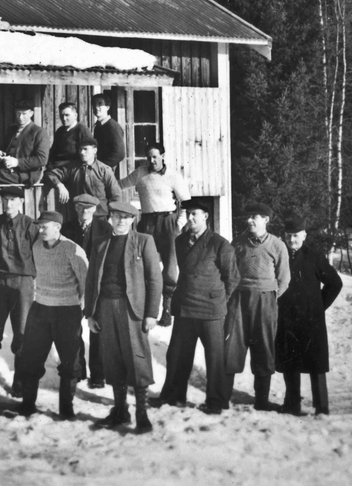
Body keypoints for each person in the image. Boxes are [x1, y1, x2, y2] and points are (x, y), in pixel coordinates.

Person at [84, 200, 162, 433]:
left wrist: (151, 313)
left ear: (132, 220)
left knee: (137, 359)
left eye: (125, 217)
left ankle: (142, 412)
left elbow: (155, 279)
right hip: (106, 307)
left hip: (132, 309)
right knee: (112, 359)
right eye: (116, 216)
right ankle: (120, 410)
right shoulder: (100, 244)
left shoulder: (143, 242)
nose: (120, 221)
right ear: (111, 219)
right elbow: (91, 281)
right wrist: (90, 313)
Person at [156, 198, 239, 413]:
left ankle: (216, 401)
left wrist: (218, 299)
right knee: (176, 356)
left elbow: (232, 278)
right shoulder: (180, 241)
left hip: (210, 311)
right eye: (188, 213)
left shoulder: (220, 244)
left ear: (206, 217)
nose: (191, 217)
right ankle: (174, 396)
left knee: (215, 359)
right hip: (185, 308)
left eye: (195, 214)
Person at [12, 211, 89, 419]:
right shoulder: (37, 247)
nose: (41, 230)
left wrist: (80, 310)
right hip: (41, 309)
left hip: (67, 311)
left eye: (45, 226)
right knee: (30, 358)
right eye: (39, 226)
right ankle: (28, 404)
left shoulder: (73, 250)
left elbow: (86, 284)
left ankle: (66, 408)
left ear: (58, 227)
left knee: (70, 362)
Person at [220, 202, 291, 411]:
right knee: (231, 347)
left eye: (256, 217)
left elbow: (284, 279)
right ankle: (222, 398)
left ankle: (261, 401)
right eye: (249, 217)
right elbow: (230, 272)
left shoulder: (277, 245)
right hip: (239, 300)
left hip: (265, 301)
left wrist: (269, 297)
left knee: (264, 348)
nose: (250, 220)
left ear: (266, 220)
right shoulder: (238, 243)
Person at [0, 185, 39, 399]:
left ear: (21, 202)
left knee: (22, 333)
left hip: (23, 285)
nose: (8, 204)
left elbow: (39, 255)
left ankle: (19, 381)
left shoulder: (30, 225)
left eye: (13, 200)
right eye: (5, 199)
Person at [119, 142, 191, 325]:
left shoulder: (173, 176)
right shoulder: (140, 173)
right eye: (149, 157)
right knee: (143, 263)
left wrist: (178, 225)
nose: (152, 160)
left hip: (168, 223)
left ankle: (166, 309)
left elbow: (188, 204)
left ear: (163, 156)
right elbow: (120, 185)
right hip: (147, 222)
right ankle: (143, 307)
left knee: (170, 267)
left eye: (155, 157)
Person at [276, 217, 342, 416]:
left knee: (316, 365)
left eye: (296, 236)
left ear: (304, 235)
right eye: (288, 236)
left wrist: (319, 306)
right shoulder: (280, 255)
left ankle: (322, 407)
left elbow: (335, 283)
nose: (292, 240)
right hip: (286, 318)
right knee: (290, 363)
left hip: (310, 320)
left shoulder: (314, 256)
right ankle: (292, 404)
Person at [62, 193, 110, 389]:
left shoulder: (105, 228)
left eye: (88, 209)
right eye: (81, 208)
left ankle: (98, 374)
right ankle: (77, 370)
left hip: (97, 286)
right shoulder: (67, 228)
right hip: (72, 284)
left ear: (95, 210)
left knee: (96, 329)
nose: (84, 212)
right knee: (73, 328)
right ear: (76, 209)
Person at [44, 135, 122, 222]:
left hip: (99, 217)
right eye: (80, 149)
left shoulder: (104, 170)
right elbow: (50, 174)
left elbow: (116, 196)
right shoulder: (71, 168)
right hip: (77, 218)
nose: (82, 152)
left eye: (85, 149)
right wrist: (59, 185)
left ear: (94, 150)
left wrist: (112, 217)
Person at [91, 95, 126, 175]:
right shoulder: (98, 126)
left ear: (107, 107)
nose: (96, 107)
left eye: (100, 104)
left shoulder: (112, 126)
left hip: (105, 172)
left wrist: (102, 167)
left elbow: (119, 153)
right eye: (94, 104)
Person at [47, 102, 86, 170]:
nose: (64, 118)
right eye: (61, 115)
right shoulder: (60, 131)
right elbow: (53, 152)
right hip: (57, 168)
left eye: (67, 115)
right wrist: (50, 165)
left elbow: (87, 154)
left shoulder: (82, 130)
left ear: (75, 115)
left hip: (74, 169)